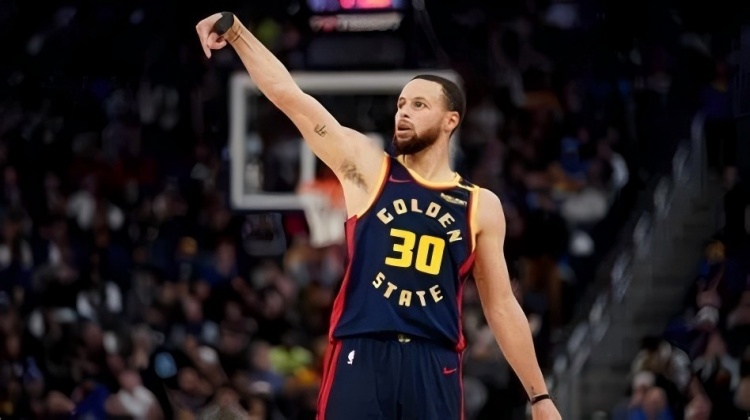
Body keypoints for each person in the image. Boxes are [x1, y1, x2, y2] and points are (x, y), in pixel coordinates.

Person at [196, 12, 562, 420]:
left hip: (434, 361)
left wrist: (540, 397)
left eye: (419, 105)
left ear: (451, 121)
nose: (403, 112)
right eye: (401, 104)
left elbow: (502, 306)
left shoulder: (480, 204)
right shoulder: (369, 169)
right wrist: (237, 32)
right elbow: (290, 97)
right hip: (363, 349)